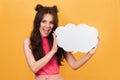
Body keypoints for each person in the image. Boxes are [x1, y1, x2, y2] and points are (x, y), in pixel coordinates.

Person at [23, 4, 100, 80]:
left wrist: (89, 54)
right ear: (38, 23)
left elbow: (74, 65)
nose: (47, 26)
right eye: (44, 21)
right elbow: (34, 68)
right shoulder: (28, 42)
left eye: (51, 22)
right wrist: (52, 51)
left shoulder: (59, 39)